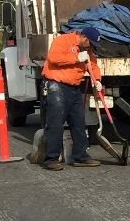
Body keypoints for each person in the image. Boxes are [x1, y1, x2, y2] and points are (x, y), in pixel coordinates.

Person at [40, 27, 104, 171]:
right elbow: (53, 58)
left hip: (74, 88)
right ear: (84, 37)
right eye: (91, 43)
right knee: (55, 123)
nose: (91, 47)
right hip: (56, 85)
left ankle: (81, 156)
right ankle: (51, 158)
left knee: (79, 122)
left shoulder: (87, 50)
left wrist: (98, 80)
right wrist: (76, 58)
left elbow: (92, 66)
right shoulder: (63, 40)